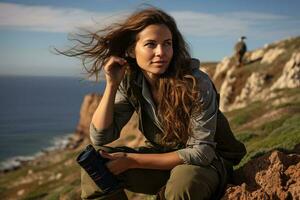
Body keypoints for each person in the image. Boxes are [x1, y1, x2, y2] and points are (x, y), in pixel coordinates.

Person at [60, 7, 246, 200]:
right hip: (162, 160)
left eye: (167, 44)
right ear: (132, 50)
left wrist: (132, 161)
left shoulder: (196, 82)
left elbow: (202, 153)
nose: (161, 52)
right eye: (151, 44)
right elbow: (100, 137)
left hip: (207, 165)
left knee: (183, 180)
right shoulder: (130, 80)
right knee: (96, 168)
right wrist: (112, 84)